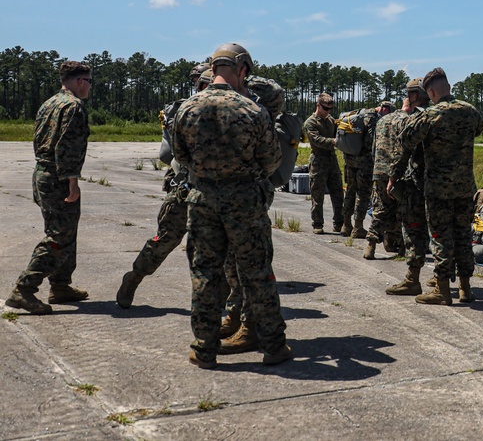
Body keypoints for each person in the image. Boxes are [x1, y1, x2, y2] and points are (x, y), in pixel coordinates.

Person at [172, 43, 292, 369]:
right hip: (245, 204)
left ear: (213, 69)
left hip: (203, 203)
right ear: (241, 69)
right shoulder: (253, 111)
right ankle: (273, 347)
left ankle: (204, 348)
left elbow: (180, 157)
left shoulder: (187, 109)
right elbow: (271, 161)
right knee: (257, 275)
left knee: (205, 276)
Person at [116, 64, 210, 309]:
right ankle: (134, 277)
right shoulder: (182, 111)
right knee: (165, 240)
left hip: (216, 193)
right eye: (202, 82)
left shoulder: (231, 111)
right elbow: (168, 155)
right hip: (184, 189)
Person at [389, 68, 483, 305]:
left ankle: (441, 289)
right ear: (449, 87)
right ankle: (465, 288)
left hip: (438, 188)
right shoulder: (470, 111)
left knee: (441, 236)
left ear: (431, 92)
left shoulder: (431, 115)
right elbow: (479, 130)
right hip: (464, 186)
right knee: (463, 235)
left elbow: (405, 138)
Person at [6, 61, 93, 315]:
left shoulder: (50, 103)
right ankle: (24, 289)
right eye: (89, 81)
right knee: (59, 236)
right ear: (79, 81)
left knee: (66, 231)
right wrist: (72, 182)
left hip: (42, 173)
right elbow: (67, 146)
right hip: (58, 177)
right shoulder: (74, 106)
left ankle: (61, 285)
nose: (89, 87)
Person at [384, 78, 434, 295]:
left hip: (416, 183)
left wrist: (393, 177)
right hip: (440, 184)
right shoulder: (441, 114)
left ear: (414, 96)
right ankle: (439, 277)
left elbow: (403, 150)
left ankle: (412, 279)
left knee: (413, 230)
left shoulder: (415, 118)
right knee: (442, 232)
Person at [365, 100, 407, 260]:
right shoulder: (405, 120)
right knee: (402, 209)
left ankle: (372, 244)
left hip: (379, 170)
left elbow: (374, 147)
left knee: (380, 208)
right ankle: (402, 246)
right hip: (396, 172)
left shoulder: (381, 121)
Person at [303, 93, 345, 235]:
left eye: (330, 109)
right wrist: (333, 141)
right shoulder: (311, 122)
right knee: (317, 194)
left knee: (338, 193)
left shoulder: (331, 120)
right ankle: (317, 224)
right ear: (318, 105)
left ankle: (339, 223)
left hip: (331, 160)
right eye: (325, 108)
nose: (328, 111)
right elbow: (316, 140)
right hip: (318, 161)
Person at [340, 104, 381, 238]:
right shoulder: (372, 118)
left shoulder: (356, 114)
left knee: (350, 191)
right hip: (364, 163)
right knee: (363, 193)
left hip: (349, 159)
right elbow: (371, 141)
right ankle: (358, 227)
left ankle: (346, 225)